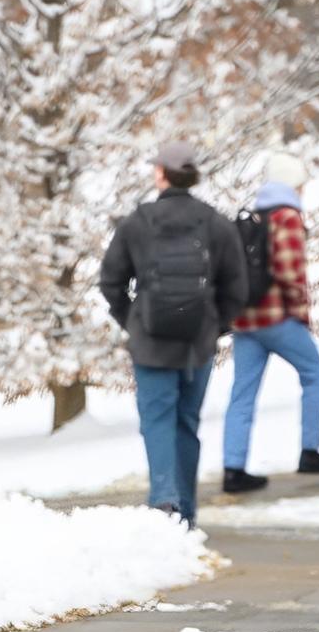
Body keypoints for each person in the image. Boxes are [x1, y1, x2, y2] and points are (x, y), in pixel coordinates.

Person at [97, 136, 249, 526]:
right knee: (187, 422)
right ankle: (187, 513)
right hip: (197, 343)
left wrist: (133, 318)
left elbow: (111, 281)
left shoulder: (138, 222)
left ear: (161, 175)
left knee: (157, 420)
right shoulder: (215, 223)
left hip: (151, 343)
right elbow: (237, 287)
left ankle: (164, 500)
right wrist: (215, 326)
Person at [220, 148, 319, 494]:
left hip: (245, 321)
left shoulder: (256, 216)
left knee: (242, 394)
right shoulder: (287, 217)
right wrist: (301, 315)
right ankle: (310, 451)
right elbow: (291, 273)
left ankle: (233, 469)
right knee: (314, 373)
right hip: (275, 319)